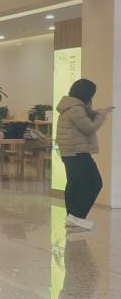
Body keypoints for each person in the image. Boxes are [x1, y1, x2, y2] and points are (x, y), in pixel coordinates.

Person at [57, 78, 113, 231]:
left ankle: (72, 217)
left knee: (74, 184)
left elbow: (83, 121)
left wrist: (96, 112)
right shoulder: (76, 108)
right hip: (77, 152)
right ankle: (76, 216)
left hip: (69, 152)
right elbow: (89, 128)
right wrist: (101, 116)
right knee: (94, 183)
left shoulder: (70, 106)